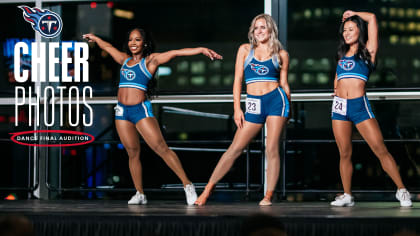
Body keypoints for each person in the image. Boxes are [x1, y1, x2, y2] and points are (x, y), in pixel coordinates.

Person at [83, 28, 222, 205]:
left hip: (140, 110)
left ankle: (187, 185)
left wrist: (201, 49)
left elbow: (176, 53)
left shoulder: (150, 61)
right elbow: (108, 46)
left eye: (138, 40)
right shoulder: (124, 60)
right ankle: (140, 193)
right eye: (131, 40)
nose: (133, 43)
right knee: (132, 153)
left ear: (145, 43)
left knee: (161, 148)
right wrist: (95, 38)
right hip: (122, 111)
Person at [194, 14, 290, 206]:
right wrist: (237, 109)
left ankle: (268, 196)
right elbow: (237, 81)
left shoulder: (281, 54)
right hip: (253, 103)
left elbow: (284, 84)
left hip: (276, 101)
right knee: (235, 148)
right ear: (252, 32)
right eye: (256, 28)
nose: (260, 31)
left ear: (270, 29)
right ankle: (206, 191)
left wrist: (288, 108)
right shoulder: (245, 50)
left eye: (263, 27)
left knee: (272, 148)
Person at [330, 11, 412, 207]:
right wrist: (336, 90)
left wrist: (354, 14)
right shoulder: (341, 54)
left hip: (359, 106)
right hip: (340, 107)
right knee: (344, 153)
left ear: (360, 30)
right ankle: (347, 195)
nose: (347, 33)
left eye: (351, 29)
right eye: (345, 30)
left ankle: (402, 190)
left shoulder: (368, 51)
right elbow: (338, 77)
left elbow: (373, 18)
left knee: (380, 149)